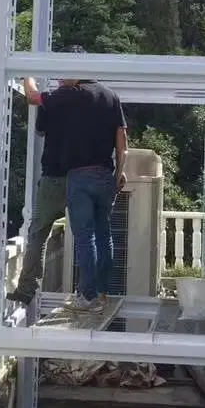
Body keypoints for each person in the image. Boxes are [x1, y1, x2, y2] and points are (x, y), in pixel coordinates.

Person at [24, 57, 127, 311]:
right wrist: (119, 174)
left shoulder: (70, 95)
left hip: (80, 176)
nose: (61, 79)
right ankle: (103, 293)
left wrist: (27, 75)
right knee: (105, 236)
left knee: (84, 237)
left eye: (63, 74)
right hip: (106, 175)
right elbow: (122, 140)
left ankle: (87, 297)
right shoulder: (111, 96)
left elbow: (33, 98)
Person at [8, 87, 67, 307]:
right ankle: (91, 293)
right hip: (82, 177)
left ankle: (26, 288)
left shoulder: (51, 99)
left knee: (38, 233)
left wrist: (29, 77)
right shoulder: (91, 99)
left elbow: (40, 130)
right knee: (88, 237)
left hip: (53, 176)